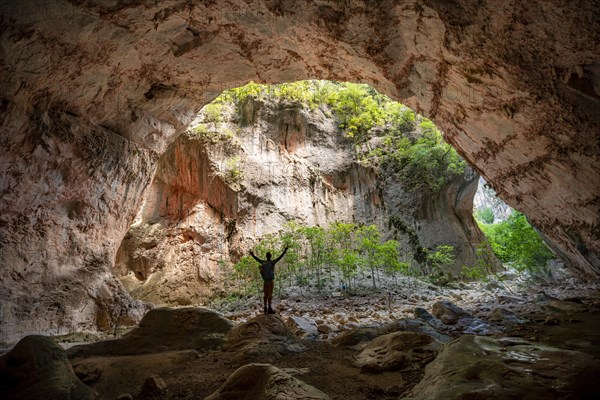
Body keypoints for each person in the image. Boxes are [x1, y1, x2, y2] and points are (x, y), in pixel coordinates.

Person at [250, 246, 288, 314]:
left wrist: (252, 254)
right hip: (270, 281)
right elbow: (280, 257)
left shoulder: (263, 262)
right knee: (270, 294)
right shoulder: (272, 262)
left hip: (265, 281)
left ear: (266, 256)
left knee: (265, 294)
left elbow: (257, 259)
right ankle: (269, 308)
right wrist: (284, 251)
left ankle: (265, 307)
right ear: (270, 256)